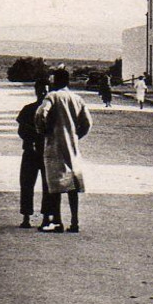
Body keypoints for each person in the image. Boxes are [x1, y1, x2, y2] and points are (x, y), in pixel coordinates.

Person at [37, 68, 92, 232]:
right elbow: (88, 122)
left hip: (55, 145)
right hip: (72, 146)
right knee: (72, 183)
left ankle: (58, 221)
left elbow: (41, 114)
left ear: (55, 81)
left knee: (55, 184)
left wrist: (44, 130)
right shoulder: (77, 99)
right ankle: (74, 222)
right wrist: (76, 136)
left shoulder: (51, 97)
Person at [15, 79, 49, 228]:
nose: (42, 93)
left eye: (45, 91)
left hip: (47, 152)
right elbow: (21, 130)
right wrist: (31, 139)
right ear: (35, 91)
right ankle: (26, 217)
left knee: (47, 186)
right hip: (30, 151)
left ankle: (46, 217)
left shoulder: (52, 111)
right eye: (40, 90)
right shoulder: (28, 109)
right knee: (27, 184)